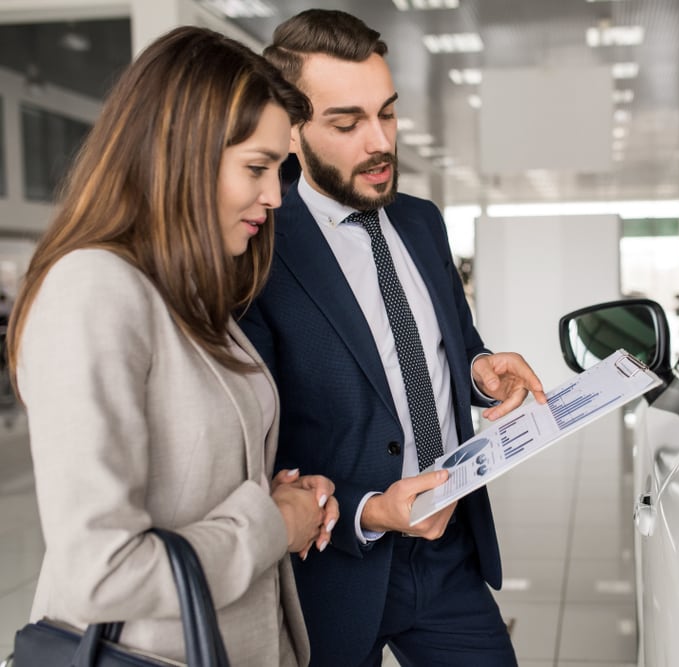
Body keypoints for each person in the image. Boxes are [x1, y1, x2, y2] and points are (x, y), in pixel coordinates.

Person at [6, 26, 340, 667]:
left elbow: (188, 483)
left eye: (279, 170)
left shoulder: (188, 296)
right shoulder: (94, 291)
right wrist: (272, 524)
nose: (274, 196)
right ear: (181, 155)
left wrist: (282, 498)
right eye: (257, 168)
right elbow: (100, 573)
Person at [238, 9, 547, 666]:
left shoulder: (421, 220)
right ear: (290, 130)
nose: (379, 141)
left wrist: (481, 367)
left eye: (388, 113)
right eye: (347, 124)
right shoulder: (258, 247)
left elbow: (450, 343)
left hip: (448, 553)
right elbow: (251, 447)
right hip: (335, 567)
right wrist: (370, 509)